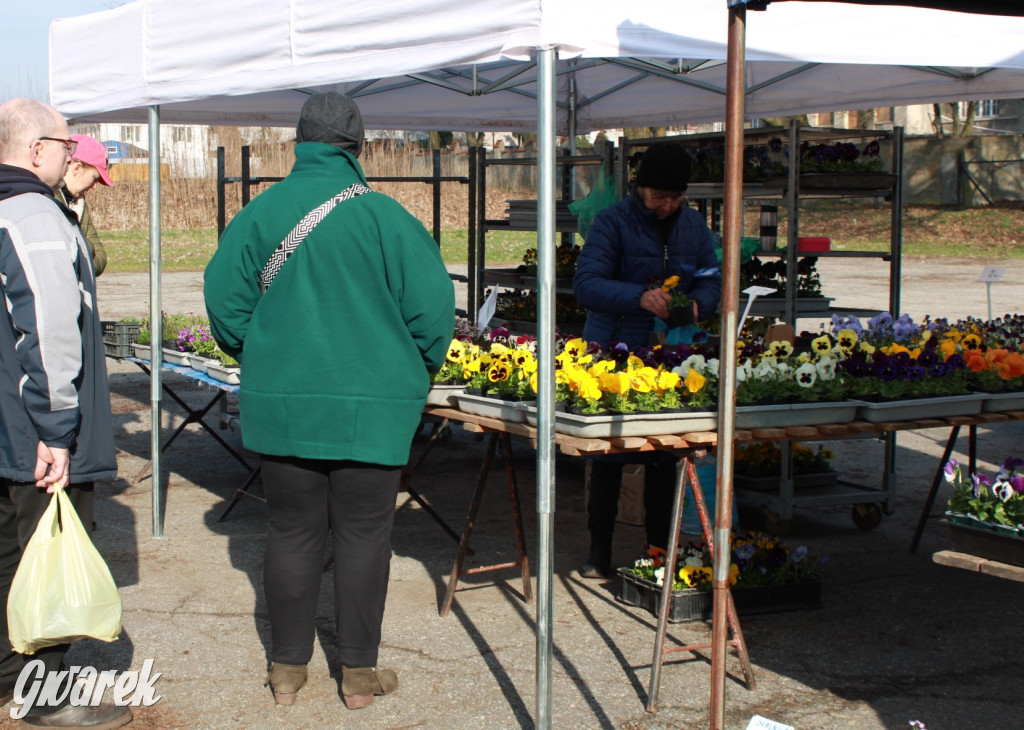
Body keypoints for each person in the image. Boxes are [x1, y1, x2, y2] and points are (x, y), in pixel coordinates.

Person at [204, 92, 455, 710]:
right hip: (374, 408)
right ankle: (359, 677)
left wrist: (264, 357)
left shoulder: (260, 214)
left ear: (299, 145)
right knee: (366, 537)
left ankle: (287, 670)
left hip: (284, 406)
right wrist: (408, 377)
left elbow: (223, 305)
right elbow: (434, 315)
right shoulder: (386, 218)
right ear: (358, 149)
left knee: (290, 533)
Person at [0, 99, 131, 728]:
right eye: (63, 141)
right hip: (33, 426)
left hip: (4, 420)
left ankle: (8, 679)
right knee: (43, 552)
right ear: (35, 149)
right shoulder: (33, 216)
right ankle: (46, 699)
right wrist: (56, 428)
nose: (69, 152)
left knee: (7, 554)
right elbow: (48, 327)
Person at [572, 140, 722, 578]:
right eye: (660, 198)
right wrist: (640, 298)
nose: (667, 206)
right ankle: (599, 550)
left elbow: (712, 278)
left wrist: (699, 305)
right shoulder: (611, 222)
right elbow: (586, 285)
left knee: (664, 454)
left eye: (675, 199)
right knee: (610, 452)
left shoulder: (693, 226)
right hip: (614, 353)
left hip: (670, 354)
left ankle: (657, 550)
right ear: (641, 189)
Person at [52, 134, 113, 276]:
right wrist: (85, 248)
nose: (94, 186)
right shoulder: (48, 198)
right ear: (77, 168)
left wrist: (80, 250)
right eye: (94, 178)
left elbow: (101, 258)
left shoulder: (79, 203)